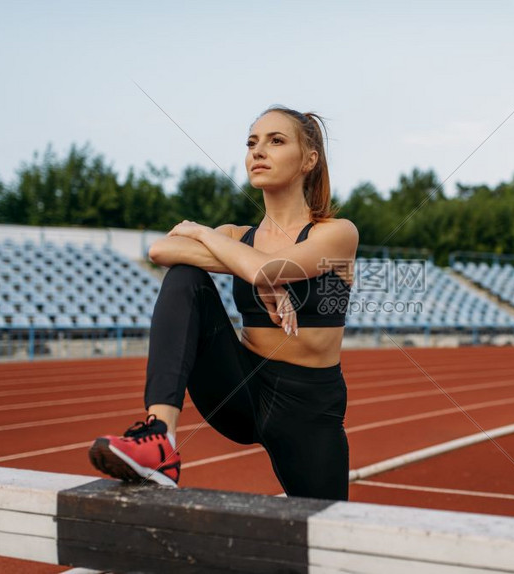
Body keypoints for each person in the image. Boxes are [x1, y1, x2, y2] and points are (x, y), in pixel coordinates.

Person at [89, 105, 358, 501]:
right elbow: (162, 249)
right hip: (241, 387)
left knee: (329, 537)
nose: (258, 151)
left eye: (276, 141)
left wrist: (213, 242)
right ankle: (160, 439)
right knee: (185, 278)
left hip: (308, 407)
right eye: (252, 143)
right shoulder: (236, 234)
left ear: (309, 160)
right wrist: (251, 267)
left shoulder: (336, 233)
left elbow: (268, 269)